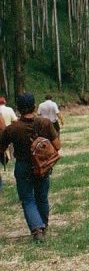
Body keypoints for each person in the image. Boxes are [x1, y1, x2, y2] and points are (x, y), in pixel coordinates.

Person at [0, 94, 61, 241]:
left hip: (22, 166)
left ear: (18, 109)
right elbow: (57, 146)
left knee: (27, 199)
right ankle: (44, 225)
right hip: (42, 166)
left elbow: (1, 147)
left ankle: (36, 229)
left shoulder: (12, 129)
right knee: (42, 197)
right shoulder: (45, 123)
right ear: (34, 107)